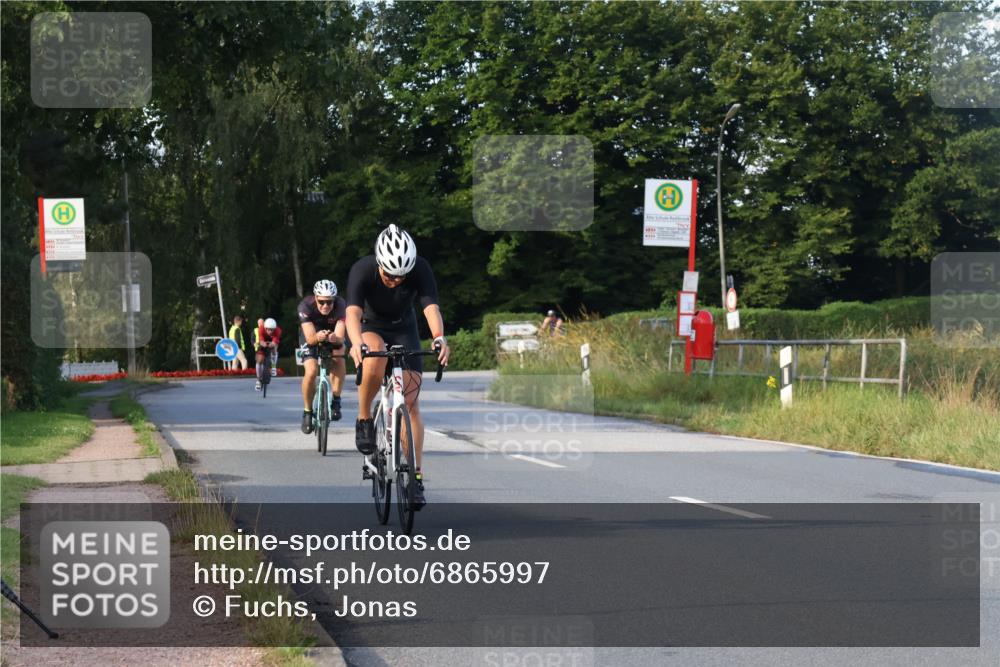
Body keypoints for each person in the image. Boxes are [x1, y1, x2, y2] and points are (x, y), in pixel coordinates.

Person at [346, 224, 450, 510]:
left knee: (411, 403)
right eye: (389, 274)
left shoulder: (421, 269)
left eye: (400, 276)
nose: (394, 280)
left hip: (404, 329)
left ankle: (415, 478)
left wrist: (439, 338)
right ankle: (365, 417)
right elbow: (353, 312)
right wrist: (356, 343)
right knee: (375, 357)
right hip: (370, 327)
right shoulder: (363, 269)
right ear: (379, 263)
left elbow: (431, 309)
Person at [298, 279, 347, 433]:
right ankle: (307, 411)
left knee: (338, 356)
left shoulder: (341, 305)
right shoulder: (305, 306)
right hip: (312, 334)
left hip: (332, 334)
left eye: (329, 302)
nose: (326, 306)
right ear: (315, 298)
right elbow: (310, 338)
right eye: (322, 302)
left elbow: (340, 337)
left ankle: (336, 400)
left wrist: (334, 338)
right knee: (311, 371)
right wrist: (318, 337)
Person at [253, 317, 282, 391]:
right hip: (263, 342)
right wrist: (263, 344)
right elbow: (261, 340)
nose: (270, 331)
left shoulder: (278, 331)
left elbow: (275, 341)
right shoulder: (261, 329)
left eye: (272, 329)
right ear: (265, 328)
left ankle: (273, 366)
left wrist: (271, 344)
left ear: (274, 328)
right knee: (259, 360)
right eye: (268, 329)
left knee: (275, 348)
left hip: (272, 342)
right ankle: (258, 380)